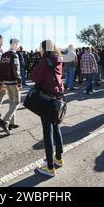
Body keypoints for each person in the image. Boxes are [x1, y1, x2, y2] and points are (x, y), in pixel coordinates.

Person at [30, 40, 64, 177]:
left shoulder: (44, 62)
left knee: (47, 132)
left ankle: (49, 167)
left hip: (47, 99)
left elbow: (35, 78)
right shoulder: (59, 59)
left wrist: (36, 66)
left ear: (44, 49)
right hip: (57, 97)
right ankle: (59, 158)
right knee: (56, 128)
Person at [0, 39, 22, 134]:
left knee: (11, 102)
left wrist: (1, 81)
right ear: (15, 44)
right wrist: (19, 82)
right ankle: (5, 121)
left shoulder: (4, 55)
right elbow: (16, 69)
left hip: (6, 81)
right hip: (13, 81)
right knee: (17, 102)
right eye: (17, 44)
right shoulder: (14, 55)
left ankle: (12, 123)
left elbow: (1, 68)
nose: (18, 46)